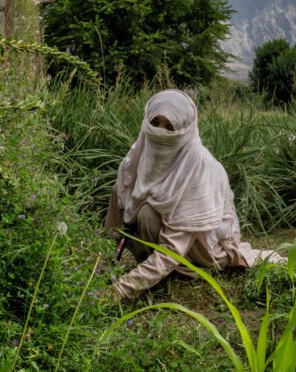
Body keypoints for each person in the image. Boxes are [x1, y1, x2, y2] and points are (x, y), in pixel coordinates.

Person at [102, 89, 283, 301]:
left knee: (148, 214)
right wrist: (107, 263)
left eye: (170, 127)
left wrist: (119, 290)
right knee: (132, 198)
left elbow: (171, 249)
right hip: (165, 242)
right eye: (155, 123)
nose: (160, 132)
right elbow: (116, 219)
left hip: (202, 248)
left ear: (185, 130)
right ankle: (150, 270)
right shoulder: (137, 157)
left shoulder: (201, 168)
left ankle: (173, 272)